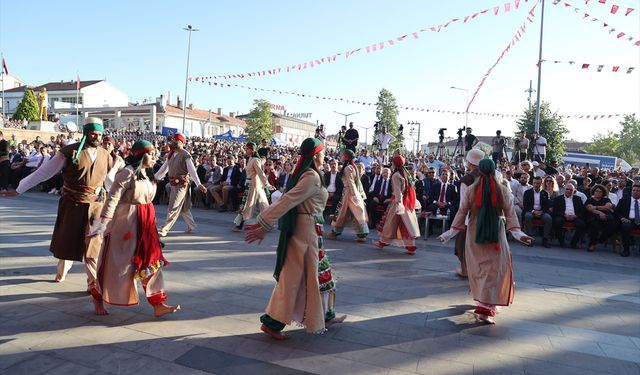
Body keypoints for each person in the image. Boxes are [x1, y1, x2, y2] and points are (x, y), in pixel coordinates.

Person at [245, 137, 345, 340]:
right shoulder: (312, 178)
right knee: (293, 279)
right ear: (317, 155)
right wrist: (264, 222)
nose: (326, 155)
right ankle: (273, 323)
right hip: (304, 234)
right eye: (323, 152)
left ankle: (326, 315)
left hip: (309, 232)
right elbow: (288, 200)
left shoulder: (310, 174)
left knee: (319, 276)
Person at [2, 118, 115, 290]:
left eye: (100, 134)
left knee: (93, 247)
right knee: (68, 242)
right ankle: (62, 271)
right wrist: (19, 189)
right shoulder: (68, 152)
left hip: (95, 207)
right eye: (94, 133)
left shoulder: (106, 155)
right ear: (86, 132)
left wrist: (121, 202)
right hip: (72, 204)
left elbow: (110, 182)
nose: (97, 137)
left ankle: (93, 284)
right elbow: (44, 172)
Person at [88, 140, 180, 317]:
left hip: (146, 223)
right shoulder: (126, 174)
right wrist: (102, 225)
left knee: (152, 261)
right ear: (142, 155)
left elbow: (164, 171)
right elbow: (112, 199)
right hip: (126, 224)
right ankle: (98, 297)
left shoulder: (147, 173)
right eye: (152, 154)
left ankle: (158, 303)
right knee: (119, 266)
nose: (155, 157)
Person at [438, 159, 532, 324]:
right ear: (495, 171)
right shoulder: (503, 190)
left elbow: (461, 212)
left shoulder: (471, 190)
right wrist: (519, 234)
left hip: (474, 233)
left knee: (479, 269)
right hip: (496, 233)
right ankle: (487, 307)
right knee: (494, 270)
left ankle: (483, 304)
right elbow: (510, 215)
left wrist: (449, 233)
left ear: (479, 172)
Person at [154, 133, 206, 237]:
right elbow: (163, 169)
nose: (173, 142)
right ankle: (192, 225)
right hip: (173, 184)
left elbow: (192, 171)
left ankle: (165, 229)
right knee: (183, 207)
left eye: (175, 140)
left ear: (181, 143)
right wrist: (154, 178)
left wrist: (198, 184)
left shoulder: (185, 154)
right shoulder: (171, 155)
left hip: (181, 185)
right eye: (172, 140)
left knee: (173, 206)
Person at [373, 154, 420, 254]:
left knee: (390, 223)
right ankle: (410, 247)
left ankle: (383, 242)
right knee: (406, 224)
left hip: (398, 202)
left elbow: (398, 192)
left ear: (394, 164)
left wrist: (398, 204)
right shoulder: (404, 173)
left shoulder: (395, 175)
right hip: (405, 202)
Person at [453, 149, 484, 277]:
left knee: (462, 245)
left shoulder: (467, 179)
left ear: (470, 163)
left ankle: (465, 270)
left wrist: (461, 223)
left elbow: (463, 205)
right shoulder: (492, 176)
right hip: (488, 218)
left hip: (470, 219)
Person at [328, 149, 369, 242]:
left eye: (342, 155)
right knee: (356, 212)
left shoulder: (348, 168)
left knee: (342, 212)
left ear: (345, 157)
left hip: (349, 193)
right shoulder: (353, 166)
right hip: (350, 192)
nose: (340, 157)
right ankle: (361, 234)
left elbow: (351, 182)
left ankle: (335, 232)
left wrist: (354, 195)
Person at [233, 142, 271, 231]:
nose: (245, 150)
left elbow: (260, 173)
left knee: (247, 204)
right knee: (262, 204)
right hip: (250, 184)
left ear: (252, 150)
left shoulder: (255, 160)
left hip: (253, 185)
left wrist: (266, 184)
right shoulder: (250, 158)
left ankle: (239, 225)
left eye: (247, 149)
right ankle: (268, 223)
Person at [551, 183, 586, 248]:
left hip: (574, 216)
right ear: (564, 189)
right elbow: (556, 211)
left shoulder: (578, 199)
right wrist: (564, 215)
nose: (569, 191)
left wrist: (576, 216)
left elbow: (582, 210)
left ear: (573, 191)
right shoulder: (558, 199)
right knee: (557, 222)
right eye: (567, 189)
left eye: (571, 190)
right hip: (562, 216)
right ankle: (561, 241)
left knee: (582, 225)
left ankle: (574, 243)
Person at [584, 184, 616, 252]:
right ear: (593, 192)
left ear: (603, 193)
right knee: (594, 224)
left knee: (612, 225)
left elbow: (608, 207)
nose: (598, 193)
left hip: (606, 217)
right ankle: (592, 244)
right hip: (593, 217)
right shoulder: (589, 200)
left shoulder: (606, 199)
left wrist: (596, 207)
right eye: (596, 191)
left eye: (600, 192)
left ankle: (600, 240)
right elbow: (590, 209)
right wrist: (601, 213)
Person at [523, 176, 553, 248]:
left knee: (548, 218)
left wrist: (542, 212)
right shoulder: (527, 192)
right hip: (531, 211)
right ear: (532, 183)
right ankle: (529, 238)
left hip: (541, 212)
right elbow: (525, 205)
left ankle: (545, 239)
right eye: (534, 183)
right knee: (528, 216)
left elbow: (547, 206)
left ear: (541, 183)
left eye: (538, 183)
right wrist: (533, 211)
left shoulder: (545, 193)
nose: (536, 185)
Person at [614, 183, 640, 257]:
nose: (635, 192)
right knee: (625, 227)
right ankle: (626, 250)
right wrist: (622, 218)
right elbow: (616, 212)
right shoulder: (624, 201)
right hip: (628, 221)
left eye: (638, 190)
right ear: (631, 191)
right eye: (634, 190)